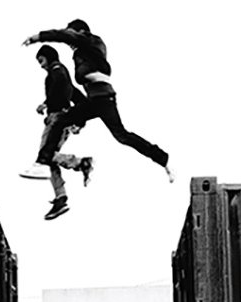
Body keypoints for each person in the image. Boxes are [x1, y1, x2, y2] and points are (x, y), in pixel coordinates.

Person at [23, 20, 174, 184]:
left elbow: (66, 36)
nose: (71, 46)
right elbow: (75, 93)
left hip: (103, 99)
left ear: (80, 32)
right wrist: (78, 120)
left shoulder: (89, 40)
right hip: (95, 100)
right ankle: (42, 163)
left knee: (122, 136)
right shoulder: (87, 51)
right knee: (63, 121)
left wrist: (38, 37)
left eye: (72, 39)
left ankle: (162, 158)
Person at [22, 45, 94, 221]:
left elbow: (62, 87)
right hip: (60, 118)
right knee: (47, 159)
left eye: (41, 61)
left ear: (48, 57)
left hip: (57, 119)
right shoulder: (61, 75)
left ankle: (80, 163)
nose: (41, 65)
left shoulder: (57, 70)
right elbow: (78, 97)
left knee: (44, 157)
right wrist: (80, 121)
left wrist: (49, 105)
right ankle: (60, 197)